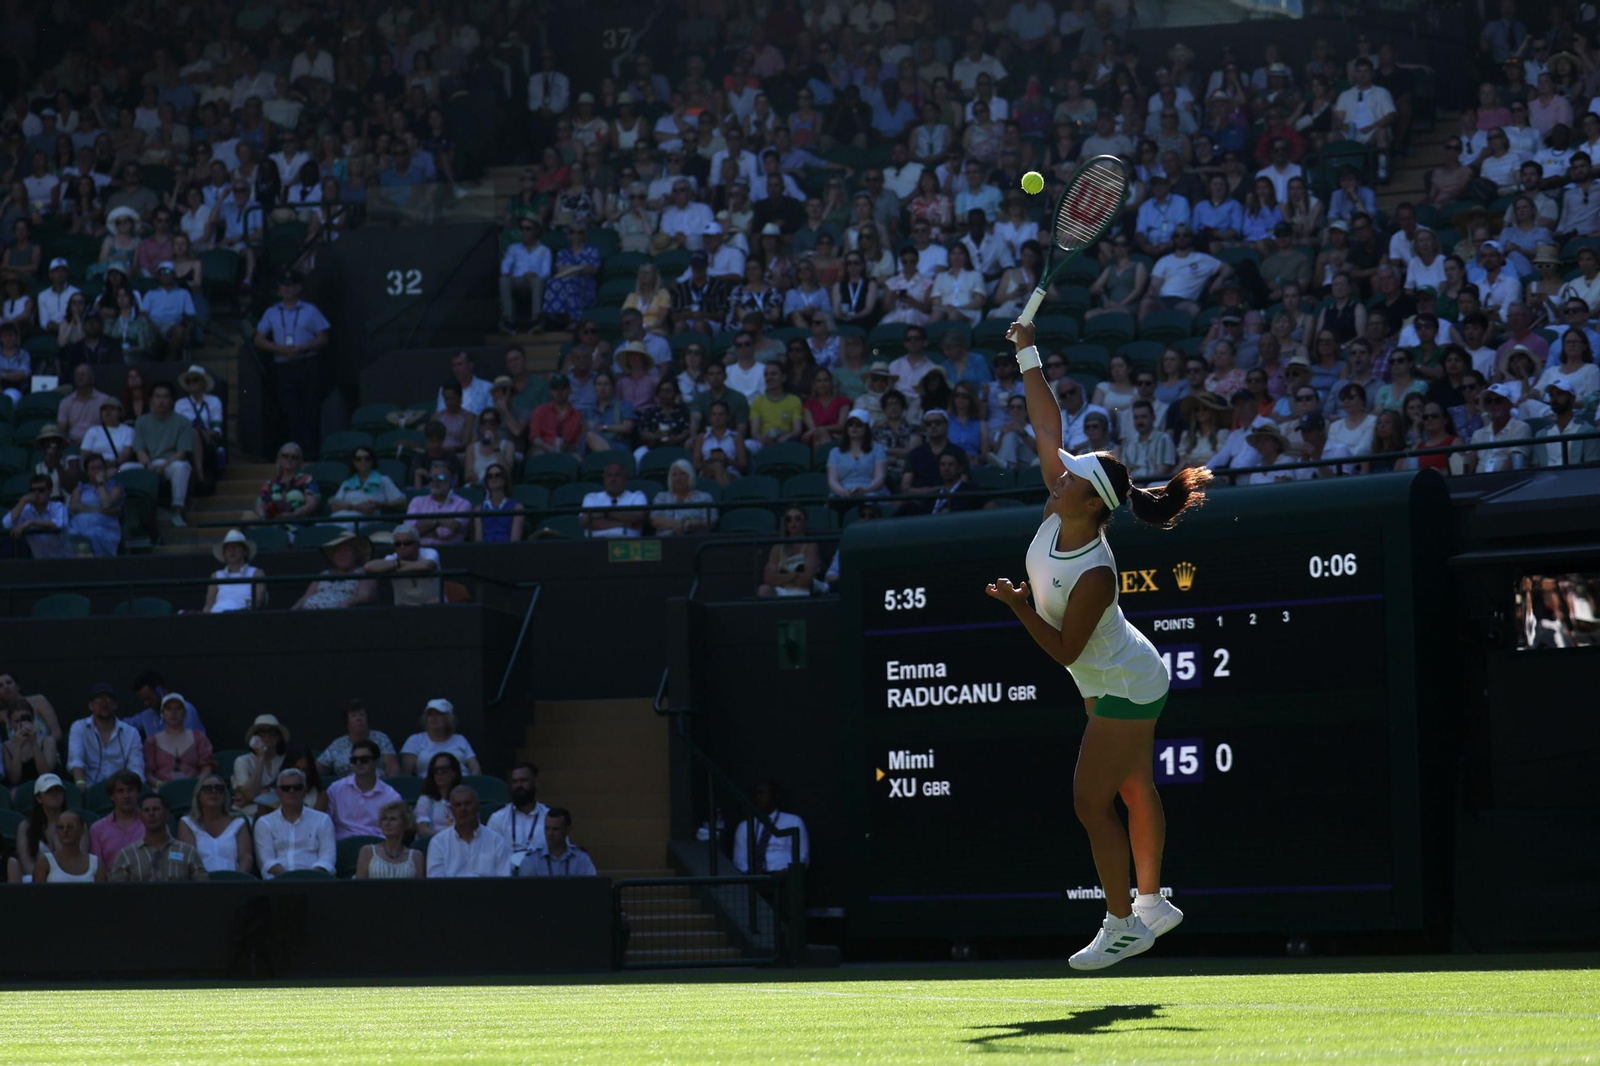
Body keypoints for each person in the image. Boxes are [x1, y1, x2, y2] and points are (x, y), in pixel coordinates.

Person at [988, 317, 1211, 970]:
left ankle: (1121, 923)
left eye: (1072, 477)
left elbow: (1061, 649)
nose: (1058, 474)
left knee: (1091, 800)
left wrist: (1019, 605)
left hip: (1124, 683)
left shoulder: (1093, 571)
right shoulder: (1064, 506)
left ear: (1091, 505)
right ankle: (1153, 904)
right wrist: (1029, 348)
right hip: (1109, 675)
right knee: (1135, 788)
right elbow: (1046, 423)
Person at [253, 272, 331, 453]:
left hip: (307, 364)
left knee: (310, 409)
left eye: (290, 285)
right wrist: (279, 348)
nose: (286, 289)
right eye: (283, 285)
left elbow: (323, 337)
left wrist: (305, 347)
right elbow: (258, 339)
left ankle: (311, 452)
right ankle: (291, 452)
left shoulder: (310, 310)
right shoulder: (271, 312)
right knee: (288, 410)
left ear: (298, 288)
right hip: (283, 366)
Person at [254, 767, 336, 878]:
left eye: (297, 787)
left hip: (315, 882)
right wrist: (290, 880)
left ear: (305, 791)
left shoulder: (322, 819)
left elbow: (328, 857)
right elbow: (266, 860)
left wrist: (309, 878)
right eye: (286, 788)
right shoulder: (264, 823)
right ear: (278, 792)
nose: (292, 791)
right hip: (277, 884)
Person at [110, 792, 207, 882]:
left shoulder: (188, 852)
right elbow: (116, 894)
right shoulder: (127, 855)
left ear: (167, 814)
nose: (151, 814)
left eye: (156, 809)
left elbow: (202, 889)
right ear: (141, 816)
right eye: (146, 810)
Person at [68, 681, 145, 788]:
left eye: (108, 699)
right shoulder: (79, 727)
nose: (104, 703)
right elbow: (76, 761)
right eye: (99, 699)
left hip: (123, 792)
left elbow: (136, 768)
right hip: (90, 790)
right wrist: (80, 785)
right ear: (91, 705)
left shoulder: (131, 733)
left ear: (115, 705)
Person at [177, 773, 254, 875]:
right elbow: (189, 859)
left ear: (225, 796)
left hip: (233, 883)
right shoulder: (187, 823)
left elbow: (246, 858)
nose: (214, 792)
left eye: (219, 788)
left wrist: (236, 881)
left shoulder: (238, 822)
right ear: (198, 796)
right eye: (207, 788)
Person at [426, 786, 510, 877]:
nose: (463, 809)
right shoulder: (438, 843)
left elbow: (503, 881)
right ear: (451, 810)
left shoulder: (496, 841)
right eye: (458, 805)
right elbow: (436, 884)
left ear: (478, 806)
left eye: (467, 803)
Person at [327, 738, 402, 840]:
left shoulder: (391, 796)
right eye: (354, 760)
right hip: (342, 847)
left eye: (364, 760)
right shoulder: (336, 789)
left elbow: (394, 831)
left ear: (376, 762)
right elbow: (325, 823)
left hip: (376, 847)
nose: (358, 763)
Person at [731, 781, 809, 873]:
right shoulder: (745, 826)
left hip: (785, 880)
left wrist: (785, 874)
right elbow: (739, 861)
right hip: (752, 880)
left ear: (776, 796)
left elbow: (803, 857)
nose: (758, 797)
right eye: (755, 794)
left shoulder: (793, 821)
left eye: (761, 793)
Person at [487, 762, 549, 874]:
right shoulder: (498, 819)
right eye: (515, 781)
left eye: (524, 780)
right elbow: (490, 857)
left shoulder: (549, 817)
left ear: (535, 783)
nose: (519, 785)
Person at [291, 531, 378, 610]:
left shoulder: (363, 572)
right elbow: (306, 597)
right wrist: (294, 609)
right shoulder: (323, 574)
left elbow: (365, 595)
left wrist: (348, 603)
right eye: (338, 551)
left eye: (346, 550)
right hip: (309, 614)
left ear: (355, 555)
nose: (341, 554)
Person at [142, 692, 216, 785]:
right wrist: (161, 785)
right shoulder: (151, 741)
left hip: (195, 791)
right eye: (169, 709)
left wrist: (195, 784)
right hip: (162, 792)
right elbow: (148, 773)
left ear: (184, 712)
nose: (173, 712)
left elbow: (207, 768)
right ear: (162, 713)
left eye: (178, 708)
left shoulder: (199, 737)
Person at [400, 698, 481, 775]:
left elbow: (475, 769)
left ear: (448, 719)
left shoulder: (460, 739)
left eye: (439, 714)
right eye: (430, 715)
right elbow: (406, 773)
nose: (434, 718)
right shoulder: (415, 740)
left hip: (460, 785)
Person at [354, 800, 426, 878]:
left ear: (406, 824)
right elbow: (359, 887)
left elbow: (419, 888)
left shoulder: (416, 856)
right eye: (384, 819)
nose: (387, 823)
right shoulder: (368, 852)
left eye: (393, 819)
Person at [5, 475, 70, 559]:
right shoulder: (26, 509)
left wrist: (30, 523)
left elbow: (59, 524)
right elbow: (7, 523)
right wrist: (23, 501)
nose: (36, 494)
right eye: (33, 490)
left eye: (41, 490)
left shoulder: (58, 507)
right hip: (39, 562)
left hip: (64, 560)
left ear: (50, 491)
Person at [519, 807, 597, 877]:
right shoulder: (531, 861)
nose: (550, 833)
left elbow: (593, 887)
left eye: (555, 829)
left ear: (567, 830)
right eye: (547, 828)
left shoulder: (581, 859)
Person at [579, 460, 648, 538]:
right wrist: (623, 524)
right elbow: (585, 521)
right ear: (604, 479)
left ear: (625, 479)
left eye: (617, 475)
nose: (613, 479)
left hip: (627, 543)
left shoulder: (637, 496)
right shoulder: (592, 497)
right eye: (609, 475)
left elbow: (638, 516)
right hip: (596, 543)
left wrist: (604, 514)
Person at [35, 811, 104, 884]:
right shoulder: (44, 862)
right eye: (61, 827)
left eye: (70, 827)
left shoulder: (96, 863)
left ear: (82, 830)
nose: (65, 830)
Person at [650, 459, 716, 535]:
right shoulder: (661, 497)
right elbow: (655, 520)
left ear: (690, 476)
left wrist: (671, 524)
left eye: (682, 474)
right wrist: (685, 524)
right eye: (674, 475)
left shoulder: (705, 498)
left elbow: (711, 522)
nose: (678, 478)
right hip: (666, 541)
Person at [4, 701, 58, 786]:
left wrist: (34, 743)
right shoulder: (6, 747)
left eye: (25, 719)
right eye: (17, 721)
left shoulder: (48, 741)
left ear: (32, 719)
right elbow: (14, 780)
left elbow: (46, 775)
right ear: (10, 723)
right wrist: (18, 745)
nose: (21, 724)